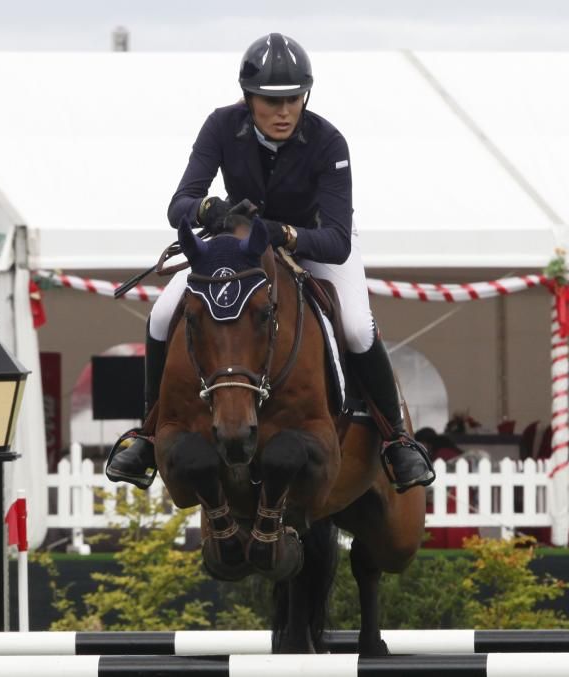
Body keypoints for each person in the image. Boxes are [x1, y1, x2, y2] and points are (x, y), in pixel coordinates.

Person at [106, 33, 435, 494]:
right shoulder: (221, 126)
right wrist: (208, 212)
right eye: (270, 101)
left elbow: (337, 240)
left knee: (358, 327)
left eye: (293, 100)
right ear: (248, 98)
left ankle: (396, 440)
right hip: (240, 246)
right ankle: (146, 433)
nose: (284, 112)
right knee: (162, 314)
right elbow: (180, 203)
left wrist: (282, 234)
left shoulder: (328, 141)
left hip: (314, 243)